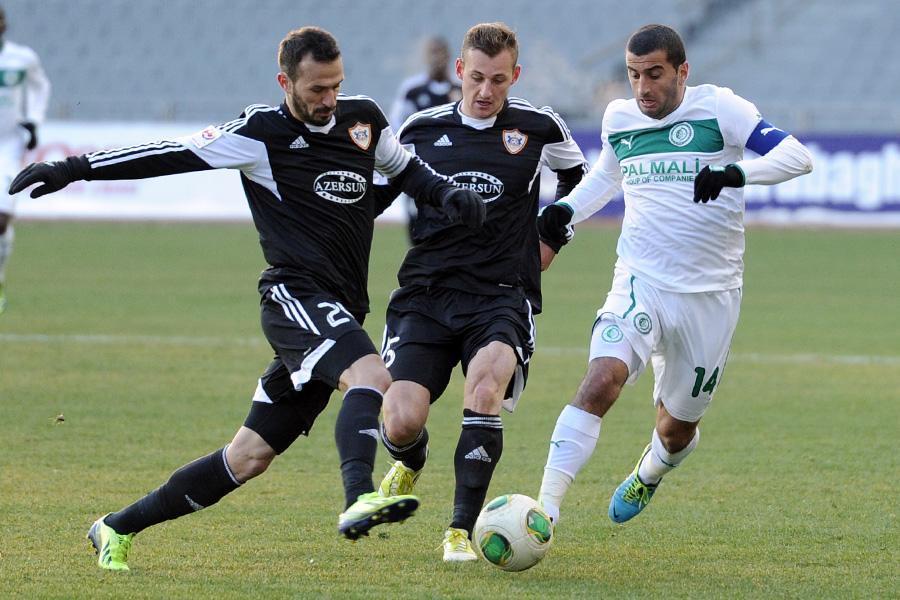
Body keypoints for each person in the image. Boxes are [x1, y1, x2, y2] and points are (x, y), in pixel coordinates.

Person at [9, 26, 485, 571]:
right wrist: (72, 168)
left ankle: (116, 527)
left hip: (340, 310)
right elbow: (171, 153)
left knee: (248, 457)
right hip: (293, 296)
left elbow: (405, 171)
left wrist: (447, 193)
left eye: (336, 86)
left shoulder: (363, 121)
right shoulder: (260, 132)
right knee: (372, 377)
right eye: (316, 89)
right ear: (285, 82)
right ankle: (360, 497)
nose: (329, 100)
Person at [535, 24, 813, 527]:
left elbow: (797, 156)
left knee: (675, 431)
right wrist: (566, 210)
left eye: (655, 74)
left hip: (710, 295)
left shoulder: (721, 109)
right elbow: (607, 175)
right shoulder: (620, 118)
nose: (642, 87)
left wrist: (735, 173)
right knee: (600, 380)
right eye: (633, 75)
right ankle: (544, 510)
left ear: (683, 71)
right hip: (640, 281)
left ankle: (650, 471)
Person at [372, 22, 588, 562]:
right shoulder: (420, 129)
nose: (486, 91)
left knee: (486, 388)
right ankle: (410, 458)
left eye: (498, 80)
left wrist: (551, 239)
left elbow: (581, 180)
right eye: (476, 78)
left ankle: (459, 530)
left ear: (515, 75)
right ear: (460, 72)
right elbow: (374, 197)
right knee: (400, 419)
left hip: (500, 294)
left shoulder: (539, 127)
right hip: (426, 292)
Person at [0, 5, 51, 314]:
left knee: (1, 218)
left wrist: (33, 121)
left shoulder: (22, 58)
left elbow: (40, 87)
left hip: (7, 145)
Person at [388, 36, 462, 243]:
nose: (437, 59)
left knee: (453, 228)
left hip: (452, 169)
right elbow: (396, 126)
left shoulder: (460, 89)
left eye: (441, 53)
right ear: (426, 57)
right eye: (433, 53)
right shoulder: (412, 90)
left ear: (449, 57)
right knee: (417, 228)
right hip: (419, 170)